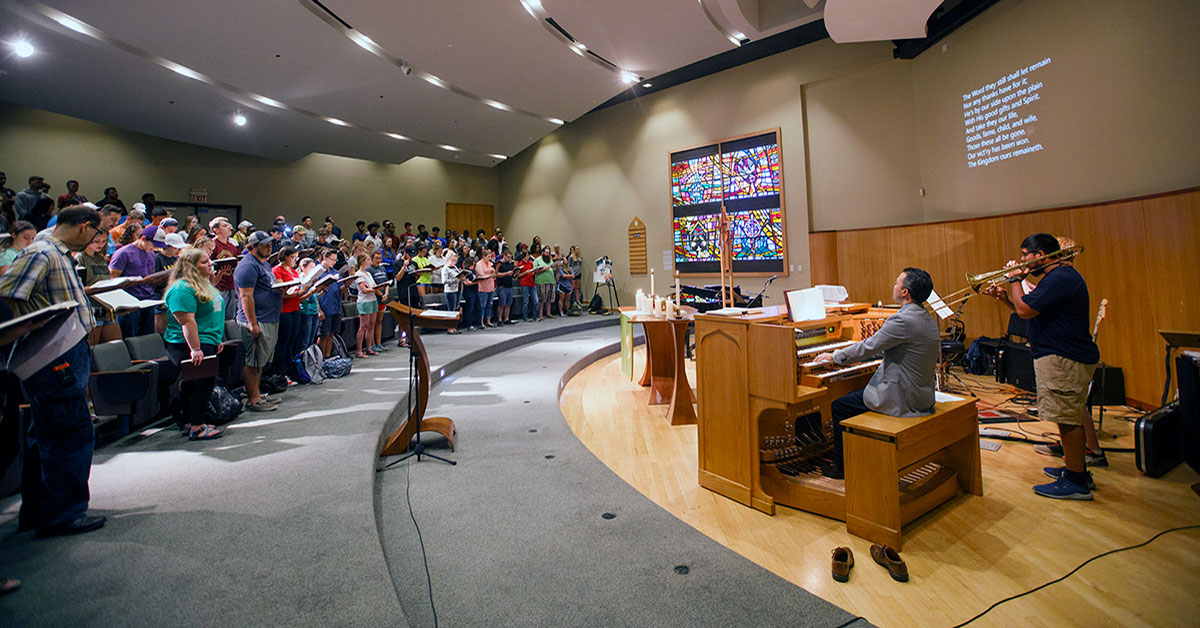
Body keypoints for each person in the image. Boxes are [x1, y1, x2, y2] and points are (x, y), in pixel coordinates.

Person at [0, 205, 108, 538]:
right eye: (97, 232)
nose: (98, 239)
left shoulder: (57, 252)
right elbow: (8, 299)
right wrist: (38, 325)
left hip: (66, 347)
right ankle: (63, 514)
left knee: (46, 434)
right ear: (83, 227)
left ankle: (40, 509)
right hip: (52, 352)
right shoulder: (41, 253)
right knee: (69, 432)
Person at [985, 233, 1100, 499]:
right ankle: (1075, 471)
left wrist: (1016, 279)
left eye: (1026, 255)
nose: (1023, 260)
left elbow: (1025, 311)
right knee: (1066, 416)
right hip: (1061, 356)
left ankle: (1076, 481)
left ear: (1040, 255)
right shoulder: (1057, 278)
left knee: (1067, 419)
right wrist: (1004, 297)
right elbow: (1027, 311)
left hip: (1064, 358)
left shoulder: (1061, 277)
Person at [812, 267, 939, 480]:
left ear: (905, 292)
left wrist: (834, 356)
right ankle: (861, 451)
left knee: (839, 405)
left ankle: (842, 468)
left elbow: (868, 347)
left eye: (897, 282)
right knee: (855, 394)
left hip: (902, 398)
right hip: (921, 394)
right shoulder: (925, 316)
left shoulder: (901, 320)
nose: (894, 285)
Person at [162, 248, 225, 441]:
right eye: (204, 262)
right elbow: (187, 321)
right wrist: (195, 349)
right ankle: (197, 427)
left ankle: (188, 421)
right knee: (202, 382)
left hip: (207, 339)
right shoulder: (182, 288)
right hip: (186, 343)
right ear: (191, 267)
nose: (210, 265)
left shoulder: (203, 284)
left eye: (209, 261)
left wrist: (216, 339)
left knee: (195, 382)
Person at [235, 231, 283, 412]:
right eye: (265, 245)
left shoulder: (263, 264)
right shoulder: (247, 266)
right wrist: (252, 323)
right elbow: (246, 297)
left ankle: (257, 393)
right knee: (253, 360)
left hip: (269, 317)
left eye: (270, 244)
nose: (269, 248)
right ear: (253, 246)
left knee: (261, 359)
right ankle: (253, 399)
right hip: (257, 319)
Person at [109, 225, 165, 337]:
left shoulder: (151, 254)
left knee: (147, 336)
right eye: (153, 245)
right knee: (130, 336)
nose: (154, 248)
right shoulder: (124, 253)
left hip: (148, 299)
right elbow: (112, 278)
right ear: (143, 238)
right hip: (130, 301)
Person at [271, 246, 304, 378]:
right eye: (292, 257)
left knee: (292, 341)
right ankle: (280, 371)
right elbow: (282, 293)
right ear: (285, 257)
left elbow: (298, 289)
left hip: (295, 308)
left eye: (296, 257)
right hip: (284, 310)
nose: (295, 260)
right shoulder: (277, 270)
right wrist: (300, 291)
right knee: (283, 342)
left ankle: (290, 370)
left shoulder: (293, 271)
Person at [208, 217, 240, 319]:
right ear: (216, 230)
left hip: (230, 285)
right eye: (224, 226)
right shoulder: (213, 245)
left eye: (229, 225)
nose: (229, 228)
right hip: (218, 286)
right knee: (218, 316)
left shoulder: (232, 247)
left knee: (230, 317)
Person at [352, 253, 382, 358]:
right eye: (368, 259)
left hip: (373, 300)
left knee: (371, 325)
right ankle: (359, 350)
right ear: (362, 261)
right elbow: (364, 290)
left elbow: (373, 286)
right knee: (363, 326)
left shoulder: (368, 274)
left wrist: (380, 290)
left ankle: (369, 348)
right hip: (364, 301)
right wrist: (374, 289)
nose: (370, 261)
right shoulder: (359, 274)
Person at [316, 250, 345, 358]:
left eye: (335, 260)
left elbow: (340, 287)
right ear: (324, 258)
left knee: (331, 333)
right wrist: (319, 310)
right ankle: (320, 357)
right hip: (324, 306)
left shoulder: (335, 272)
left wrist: (347, 283)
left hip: (335, 306)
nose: (333, 262)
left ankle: (328, 355)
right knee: (323, 334)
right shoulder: (318, 272)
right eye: (331, 259)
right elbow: (314, 293)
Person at [366, 250, 390, 353]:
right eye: (376, 258)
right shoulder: (369, 270)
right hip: (375, 297)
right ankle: (371, 344)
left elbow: (387, 282)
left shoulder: (382, 268)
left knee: (379, 321)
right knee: (372, 322)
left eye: (380, 258)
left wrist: (386, 294)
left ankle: (378, 342)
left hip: (383, 298)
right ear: (372, 259)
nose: (378, 260)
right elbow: (373, 285)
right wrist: (380, 294)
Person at [441, 251, 462, 334]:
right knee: (451, 309)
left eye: (455, 261)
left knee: (455, 309)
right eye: (453, 260)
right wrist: (456, 280)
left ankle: (454, 326)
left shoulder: (455, 267)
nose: (454, 262)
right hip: (450, 291)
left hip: (457, 289)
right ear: (448, 259)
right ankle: (450, 327)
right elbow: (444, 281)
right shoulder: (445, 268)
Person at [474, 249, 496, 328]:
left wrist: (493, 272)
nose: (489, 258)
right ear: (483, 256)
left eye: (490, 257)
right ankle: (481, 322)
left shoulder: (491, 263)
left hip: (490, 286)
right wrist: (490, 275)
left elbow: (494, 272)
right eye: (488, 257)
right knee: (483, 305)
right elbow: (482, 275)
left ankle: (488, 321)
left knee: (489, 304)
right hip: (483, 287)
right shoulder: (479, 264)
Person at [533, 247, 556, 320]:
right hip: (541, 282)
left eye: (548, 253)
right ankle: (540, 314)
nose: (547, 254)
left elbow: (553, 270)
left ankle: (548, 313)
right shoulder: (537, 260)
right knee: (541, 298)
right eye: (546, 253)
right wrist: (544, 269)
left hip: (551, 281)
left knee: (549, 298)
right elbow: (535, 272)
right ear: (542, 253)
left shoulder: (550, 260)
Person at [494, 249, 516, 325]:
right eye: (508, 257)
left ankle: (506, 318)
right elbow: (496, 274)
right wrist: (506, 273)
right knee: (501, 303)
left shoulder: (510, 264)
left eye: (510, 257)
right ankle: (499, 319)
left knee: (509, 303)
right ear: (504, 256)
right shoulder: (499, 263)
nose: (509, 259)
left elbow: (512, 274)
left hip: (509, 285)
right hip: (502, 286)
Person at [515, 250, 538, 322]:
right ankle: (525, 316)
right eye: (528, 255)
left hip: (531, 283)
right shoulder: (520, 264)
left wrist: (534, 271)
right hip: (524, 283)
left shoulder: (530, 263)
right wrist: (525, 272)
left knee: (536, 300)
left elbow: (532, 271)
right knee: (526, 301)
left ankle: (535, 316)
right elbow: (517, 275)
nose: (529, 257)